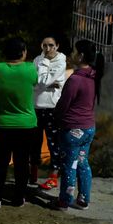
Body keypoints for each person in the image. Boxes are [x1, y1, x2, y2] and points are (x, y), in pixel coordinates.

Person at [53, 40, 105, 211]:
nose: (71, 55)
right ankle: (83, 199)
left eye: (74, 51)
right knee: (82, 163)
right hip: (88, 128)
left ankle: (64, 201)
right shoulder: (93, 74)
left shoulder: (75, 79)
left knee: (70, 165)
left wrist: (56, 120)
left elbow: (63, 105)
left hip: (73, 130)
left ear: (81, 55)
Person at [0, 37, 38, 207]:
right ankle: (18, 198)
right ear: (23, 53)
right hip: (25, 125)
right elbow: (36, 82)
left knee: (0, 162)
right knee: (22, 163)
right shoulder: (30, 69)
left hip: (1, 124)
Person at [31, 36, 67, 189]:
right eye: (44, 45)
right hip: (36, 106)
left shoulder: (61, 61)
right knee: (34, 142)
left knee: (54, 143)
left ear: (57, 46)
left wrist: (45, 81)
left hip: (52, 107)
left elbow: (43, 82)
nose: (47, 48)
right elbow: (35, 82)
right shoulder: (36, 59)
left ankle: (53, 175)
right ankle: (32, 173)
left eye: (51, 45)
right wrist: (51, 83)